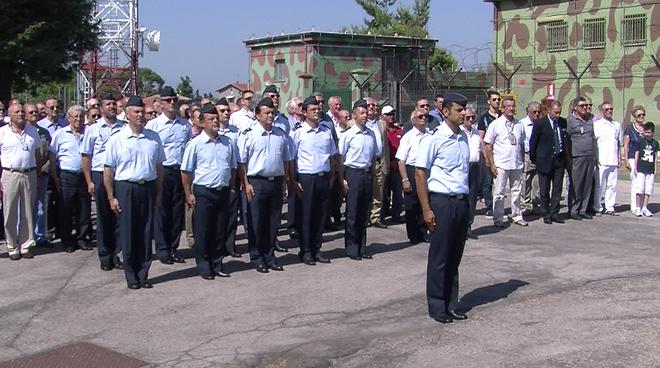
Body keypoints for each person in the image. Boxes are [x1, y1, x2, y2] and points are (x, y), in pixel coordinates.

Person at [415, 91, 471, 324]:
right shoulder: (433, 138)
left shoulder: (464, 137)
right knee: (440, 256)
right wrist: (426, 209)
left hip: (461, 202)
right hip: (442, 202)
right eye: (458, 110)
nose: (463, 114)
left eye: (464, 110)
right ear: (445, 112)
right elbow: (420, 173)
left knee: (455, 256)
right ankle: (437, 305)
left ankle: (451, 304)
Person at [103, 96, 165, 290]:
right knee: (129, 233)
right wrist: (111, 196)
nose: (140, 115)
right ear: (127, 115)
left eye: (142, 112)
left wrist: (158, 192)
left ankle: (143, 273)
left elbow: (159, 167)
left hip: (147, 186)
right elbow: (108, 170)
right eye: (136, 112)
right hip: (126, 188)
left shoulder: (153, 137)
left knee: (146, 233)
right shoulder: (117, 139)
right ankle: (131, 275)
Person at [238, 97, 293, 273]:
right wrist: (245, 183)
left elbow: (286, 159)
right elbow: (242, 162)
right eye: (266, 113)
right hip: (256, 183)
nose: (270, 115)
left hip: (275, 182)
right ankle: (257, 256)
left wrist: (284, 180)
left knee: (273, 221)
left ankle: (270, 256)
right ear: (257, 115)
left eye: (272, 112)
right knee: (256, 222)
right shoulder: (248, 134)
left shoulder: (280, 134)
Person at [181, 104, 236, 279]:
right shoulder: (195, 144)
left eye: (216, 118)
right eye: (211, 119)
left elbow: (233, 167)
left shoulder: (227, 142)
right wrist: (188, 194)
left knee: (220, 230)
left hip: (223, 190)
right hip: (203, 191)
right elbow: (185, 171)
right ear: (202, 122)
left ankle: (217, 263)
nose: (215, 121)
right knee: (203, 230)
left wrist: (232, 187)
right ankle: (204, 265)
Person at [146, 86, 191, 265]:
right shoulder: (153, 126)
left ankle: (173, 248)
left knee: (176, 212)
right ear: (160, 104)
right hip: (162, 171)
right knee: (162, 211)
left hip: (179, 171)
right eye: (168, 101)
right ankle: (163, 249)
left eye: (174, 100)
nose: (172, 103)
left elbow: (188, 148)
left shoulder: (184, 125)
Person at [290, 96, 338, 265]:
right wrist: (294, 181)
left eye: (318, 109)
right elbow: (292, 159)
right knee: (307, 216)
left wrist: (332, 175)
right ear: (304, 113)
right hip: (306, 177)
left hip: (323, 177)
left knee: (320, 216)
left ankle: (317, 249)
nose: (317, 112)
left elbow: (332, 156)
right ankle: (306, 251)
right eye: (313, 110)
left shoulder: (326, 131)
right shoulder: (297, 133)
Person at [81, 93, 125, 271]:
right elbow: (86, 156)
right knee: (104, 217)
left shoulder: (124, 127)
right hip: (100, 175)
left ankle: (117, 254)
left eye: (114, 103)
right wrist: (89, 180)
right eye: (108, 104)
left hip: (118, 175)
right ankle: (105, 256)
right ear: (101, 107)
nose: (112, 107)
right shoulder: (93, 129)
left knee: (119, 216)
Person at [338, 99, 380, 260]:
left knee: (364, 212)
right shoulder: (348, 135)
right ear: (354, 115)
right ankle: (351, 247)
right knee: (353, 212)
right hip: (353, 173)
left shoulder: (371, 134)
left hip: (367, 174)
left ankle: (362, 247)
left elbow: (373, 156)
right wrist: (342, 179)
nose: (365, 116)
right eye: (361, 113)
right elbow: (340, 159)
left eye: (366, 113)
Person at [0, 103, 41, 260]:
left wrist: (36, 171)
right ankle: (12, 246)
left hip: (29, 173)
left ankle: (25, 245)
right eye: (17, 112)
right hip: (10, 174)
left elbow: (37, 152)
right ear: (10, 115)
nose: (21, 114)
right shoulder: (2, 132)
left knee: (28, 211)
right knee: (10, 211)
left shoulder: (32, 131)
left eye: (22, 111)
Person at [50, 105, 92, 253]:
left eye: (81, 116)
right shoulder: (60, 134)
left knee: (84, 210)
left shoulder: (89, 133)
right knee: (65, 210)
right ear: (69, 118)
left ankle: (82, 238)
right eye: (75, 116)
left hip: (84, 176)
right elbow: (52, 156)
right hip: (66, 176)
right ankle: (67, 240)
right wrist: (55, 177)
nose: (78, 119)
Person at [483, 96, 527, 227]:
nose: (511, 109)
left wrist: (523, 161)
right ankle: (498, 218)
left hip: (516, 162)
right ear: (503, 108)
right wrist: (491, 163)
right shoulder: (496, 124)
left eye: (513, 106)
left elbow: (522, 143)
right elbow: (487, 144)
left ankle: (517, 215)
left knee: (517, 191)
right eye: (508, 106)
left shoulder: (519, 124)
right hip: (501, 163)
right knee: (499, 192)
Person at [530, 100, 569, 224]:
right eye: (556, 112)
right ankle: (545, 213)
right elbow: (533, 142)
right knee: (544, 189)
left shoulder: (563, 122)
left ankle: (555, 213)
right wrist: (534, 159)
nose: (558, 115)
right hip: (544, 161)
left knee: (557, 189)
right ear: (549, 111)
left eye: (559, 112)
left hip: (559, 160)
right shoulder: (540, 123)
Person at [395, 109, 429, 244]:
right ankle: (413, 235)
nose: (424, 118)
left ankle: (423, 232)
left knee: (424, 203)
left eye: (425, 116)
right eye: (420, 116)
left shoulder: (429, 135)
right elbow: (401, 160)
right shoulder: (408, 137)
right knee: (411, 204)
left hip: (425, 171)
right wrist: (405, 179)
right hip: (411, 170)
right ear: (413, 120)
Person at [24, 103, 54, 247]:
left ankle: (40, 236)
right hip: (26, 174)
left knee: (41, 207)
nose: (35, 114)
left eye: (36, 112)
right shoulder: (22, 132)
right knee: (24, 207)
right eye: (31, 112)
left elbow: (50, 154)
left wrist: (43, 169)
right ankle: (24, 237)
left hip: (42, 174)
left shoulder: (44, 132)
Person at [215, 98, 242, 258]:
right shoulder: (213, 132)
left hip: (233, 176)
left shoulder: (235, 132)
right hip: (216, 178)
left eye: (227, 110)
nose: (226, 113)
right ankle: (217, 247)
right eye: (222, 111)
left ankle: (230, 245)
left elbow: (238, 158)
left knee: (232, 214)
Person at [566, 97, 596, 220]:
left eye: (586, 105)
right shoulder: (570, 121)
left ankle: (583, 209)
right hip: (577, 157)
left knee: (587, 185)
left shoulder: (589, 120)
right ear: (575, 107)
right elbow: (566, 140)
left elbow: (593, 138)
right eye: (582, 106)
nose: (585, 108)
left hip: (589, 156)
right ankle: (574, 210)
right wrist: (568, 158)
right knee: (576, 184)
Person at [592, 102, 621, 216]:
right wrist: (596, 158)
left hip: (613, 160)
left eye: (611, 109)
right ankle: (598, 207)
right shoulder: (598, 124)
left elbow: (618, 143)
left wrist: (619, 158)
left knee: (612, 185)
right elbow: (594, 142)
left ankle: (610, 207)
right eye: (607, 109)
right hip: (601, 160)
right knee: (599, 185)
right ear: (602, 111)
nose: (609, 111)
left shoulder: (616, 125)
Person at [365, 97, 388, 229]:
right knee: (366, 190)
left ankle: (375, 217)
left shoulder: (381, 124)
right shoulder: (353, 124)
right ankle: (366, 216)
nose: (373, 107)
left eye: (375, 105)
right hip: (367, 162)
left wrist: (387, 164)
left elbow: (385, 146)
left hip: (380, 162)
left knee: (378, 191)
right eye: (370, 105)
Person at [477, 90, 501, 218]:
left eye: (498, 100)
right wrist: (485, 156)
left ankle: (498, 207)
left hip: (500, 154)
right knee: (487, 182)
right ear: (489, 102)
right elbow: (481, 138)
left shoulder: (503, 116)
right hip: (488, 153)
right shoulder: (484, 118)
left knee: (499, 182)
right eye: (494, 99)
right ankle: (488, 207)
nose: (497, 102)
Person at [461, 107, 482, 238]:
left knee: (473, 197)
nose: (470, 120)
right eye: (468, 117)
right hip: (463, 167)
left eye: (473, 117)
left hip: (475, 166)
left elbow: (480, 149)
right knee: (462, 197)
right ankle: (460, 226)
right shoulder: (459, 132)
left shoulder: (475, 132)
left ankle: (469, 225)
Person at [382, 105, 404, 223]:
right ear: (383, 116)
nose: (391, 116)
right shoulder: (381, 131)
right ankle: (384, 212)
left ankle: (396, 214)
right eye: (389, 114)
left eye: (393, 114)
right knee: (384, 192)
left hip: (396, 166)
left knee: (397, 191)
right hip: (385, 165)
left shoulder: (399, 131)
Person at [623, 106, 646, 213]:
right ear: (634, 117)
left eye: (643, 114)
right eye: (639, 115)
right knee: (635, 182)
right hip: (633, 158)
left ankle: (642, 206)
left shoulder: (646, 128)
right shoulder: (630, 128)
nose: (641, 117)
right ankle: (635, 207)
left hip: (644, 159)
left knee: (643, 183)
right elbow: (626, 145)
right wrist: (626, 160)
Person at [632, 122, 657, 217]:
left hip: (650, 169)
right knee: (639, 189)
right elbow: (637, 154)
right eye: (645, 132)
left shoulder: (655, 143)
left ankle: (645, 207)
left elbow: (655, 156)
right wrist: (635, 167)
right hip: (641, 169)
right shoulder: (640, 142)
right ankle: (638, 207)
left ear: (652, 132)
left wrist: (655, 169)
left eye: (649, 132)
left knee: (648, 189)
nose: (647, 134)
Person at [520, 101, 541, 215]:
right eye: (534, 112)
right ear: (529, 112)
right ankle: (525, 205)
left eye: (539, 112)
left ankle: (536, 204)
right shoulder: (522, 124)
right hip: (526, 155)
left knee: (537, 181)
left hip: (538, 155)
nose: (537, 114)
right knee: (526, 180)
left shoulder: (541, 123)